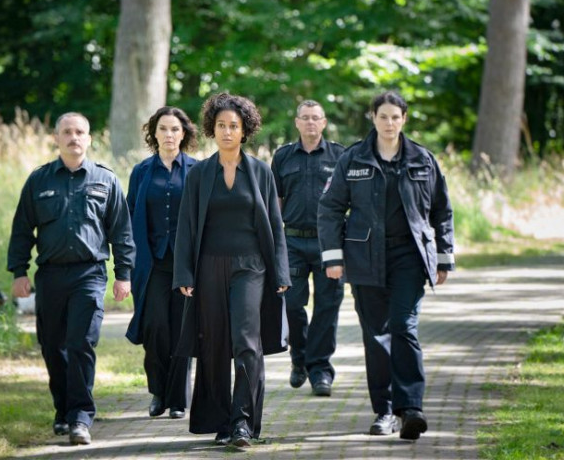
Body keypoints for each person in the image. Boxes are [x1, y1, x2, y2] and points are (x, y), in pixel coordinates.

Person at [317, 91, 455, 441]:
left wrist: (443, 257)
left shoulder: (423, 160)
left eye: (395, 117)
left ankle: (411, 409)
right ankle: (385, 411)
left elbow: (441, 211)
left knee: (403, 327)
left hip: (410, 257)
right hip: (365, 258)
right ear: (373, 118)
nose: (389, 123)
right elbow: (330, 208)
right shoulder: (353, 158)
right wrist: (333, 257)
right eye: (383, 117)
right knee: (376, 334)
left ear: (404, 119)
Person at [7, 112, 136, 446]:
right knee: (53, 346)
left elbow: (121, 231)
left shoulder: (105, 180)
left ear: (89, 139)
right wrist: (19, 271)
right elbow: (22, 229)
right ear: (56, 138)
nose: (73, 137)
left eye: (80, 132)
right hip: (50, 275)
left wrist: (124, 275)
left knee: (81, 343)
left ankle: (80, 417)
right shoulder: (39, 181)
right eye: (67, 132)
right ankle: (63, 410)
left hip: (89, 274)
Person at [173, 92, 291, 448]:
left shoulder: (260, 172)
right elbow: (186, 226)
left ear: (244, 130)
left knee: (246, 341)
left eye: (234, 126)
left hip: (251, 266)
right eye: (221, 125)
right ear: (212, 129)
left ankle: (243, 422)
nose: (227, 132)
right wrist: (184, 274)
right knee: (213, 345)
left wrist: (281, 272)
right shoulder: (199, 174)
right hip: (208, 266)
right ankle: (221, 421)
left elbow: (275, 224)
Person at [125, 106, 198, 420]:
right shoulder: (141, 171)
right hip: (151, 264)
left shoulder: (197, 170)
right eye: (163, 129)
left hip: (186, 265)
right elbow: (129, 215)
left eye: (175, 129)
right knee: (155, 328)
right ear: (154, 133)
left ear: (184, 134)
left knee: (182, 331)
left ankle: (178, 399)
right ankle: (158, 391)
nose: (169, 134)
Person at [271, 100, 345, 396]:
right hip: (292, 242)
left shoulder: (340, 156)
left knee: (328, 306)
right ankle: (299, 358)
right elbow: (275, 203)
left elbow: (349, 201)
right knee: (291, 304)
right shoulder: (283, 156)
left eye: (316, 118)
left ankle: (320, 370)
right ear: (297, 122)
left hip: (329, 243)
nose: (311, 122)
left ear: (324, 122)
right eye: (306, 117)